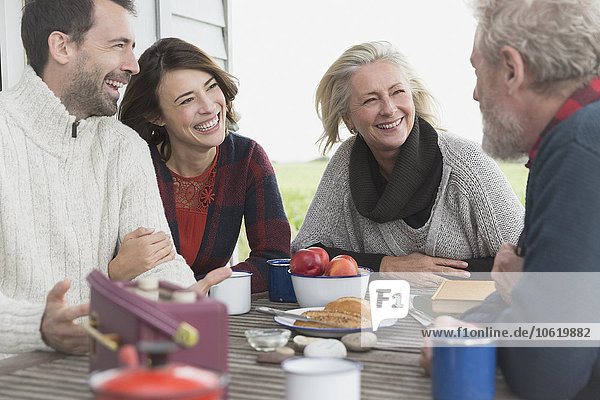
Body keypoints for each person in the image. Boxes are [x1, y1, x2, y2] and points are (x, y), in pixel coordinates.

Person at [0, 0, 230, 358]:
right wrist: (38, 326)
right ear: (62, 46)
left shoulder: (124, 146)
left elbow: (159, 261)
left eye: (132, 47)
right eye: (118, 45)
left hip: (109, 365)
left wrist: (181, 299)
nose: (133, 66)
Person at [420, 0, 600, 398]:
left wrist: (518, 296)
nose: (475, 94)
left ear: (511, 69)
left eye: (477, 71)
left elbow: (548, 373)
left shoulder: (580, 148)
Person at [291, 41, 524, 286]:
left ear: (412, 96)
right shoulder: (346, 162)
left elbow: (529, 260)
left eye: (397, 92)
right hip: (377, 319)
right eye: (371, 100)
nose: (389, 109)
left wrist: (431, 277)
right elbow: (305, 253)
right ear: (348, 118)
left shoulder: (466, 162)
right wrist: (385, 267)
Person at [118, 37, 291, 293]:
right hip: (143, 312)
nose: (209, 107)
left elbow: (273, 259)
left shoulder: (248, 159)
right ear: (156, 116)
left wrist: (206, 287)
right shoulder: (135, 167)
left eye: (211, 87)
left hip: (212, 310)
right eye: (187, 100)